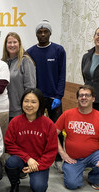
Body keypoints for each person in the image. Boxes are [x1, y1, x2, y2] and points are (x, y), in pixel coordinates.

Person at [55, 85, 99, 190]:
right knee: (72, 185)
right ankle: (73, 171)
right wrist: (62, 154)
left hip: (93, 156)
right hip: (73, 159)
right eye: (81, 95)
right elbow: (52, 134)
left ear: (93, 99)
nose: (84, 97)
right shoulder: (67, 114)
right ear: (77, 99)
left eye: (87, 95)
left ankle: (94, 179)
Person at [4, 88, 58, 192]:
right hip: (21, 159)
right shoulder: (15, 121)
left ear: (40, 104)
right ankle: (15, 185)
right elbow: (9, 144)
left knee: (39, 189)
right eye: (26, 101)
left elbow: (51, 151)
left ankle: (37, 176)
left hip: (39, 162)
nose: (29, 105)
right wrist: (28, 159)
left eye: (33, 102)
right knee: (11, 162)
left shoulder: (48, 124)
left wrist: (38, 165)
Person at [27, 20, 66, 169]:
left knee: (57, 129)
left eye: (45, 31)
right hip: (36, 98)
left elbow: (62, 75)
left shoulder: (58, 50)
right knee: (36, 129)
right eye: (40, 32)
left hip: (54, 97)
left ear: (50, 33)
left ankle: (58, 157)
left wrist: (59, 96)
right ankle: (38, 155)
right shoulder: (30, 52)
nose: (42, 34)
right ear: (36, 34)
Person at [2, 32, 37, 119]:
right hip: (5, 110)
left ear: (19, 44)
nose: (12, 45)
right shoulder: (2, 62)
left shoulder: (26, 61)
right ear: (6, 45)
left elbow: (30, 87)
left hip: (20, 111)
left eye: (15, 42)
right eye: (9, 42)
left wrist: (27, 107)